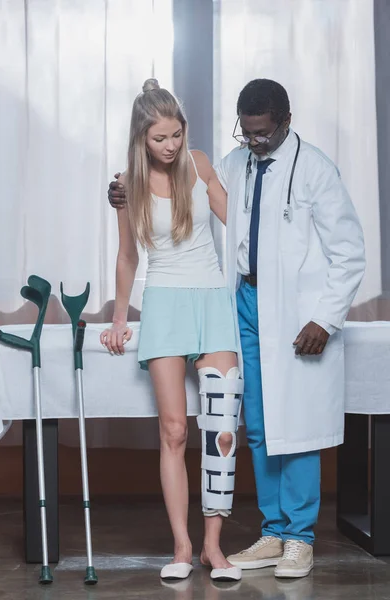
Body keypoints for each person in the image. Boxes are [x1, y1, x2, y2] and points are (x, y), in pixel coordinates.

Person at [108, 78, 365, 580]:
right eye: (245, 134)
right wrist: (120, 191)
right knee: (259, 423)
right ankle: (268, 532)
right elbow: (173, 207)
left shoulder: (309, 168)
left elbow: (342, 249)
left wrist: (325, 315)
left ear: (285, 122)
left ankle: (296, 538)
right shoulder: (235, 161)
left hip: (282, 306)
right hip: (231, 300)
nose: (253, 142)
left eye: (261, 133)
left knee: (275, 423)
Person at [100, 79, 243, 582]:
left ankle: (212, 547)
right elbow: (126, 256)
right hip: (162, 303)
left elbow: (240, 225)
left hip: (211, 301)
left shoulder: (200, 164)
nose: (171, 146)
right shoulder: (127, 185)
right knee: (175, 430)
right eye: (161, 138)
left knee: (222, 425)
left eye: (177, 135)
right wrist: (120, 318)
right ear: (142, 138)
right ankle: (182, 546)